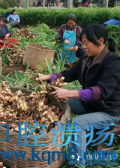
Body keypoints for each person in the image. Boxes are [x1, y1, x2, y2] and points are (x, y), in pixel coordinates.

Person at [38, 24, 120, 166]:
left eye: (87, 43)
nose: (84, 46)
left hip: (108, 110)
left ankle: (77, 162)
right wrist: (48, 77)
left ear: (100, 41)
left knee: (78, 123)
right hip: (89, 105)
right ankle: (53, 139)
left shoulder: (113, 62)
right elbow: (68, 74)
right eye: (83, 43)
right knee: (57, 101)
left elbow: (102, 91)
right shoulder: (86, 59)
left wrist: (71, 92)